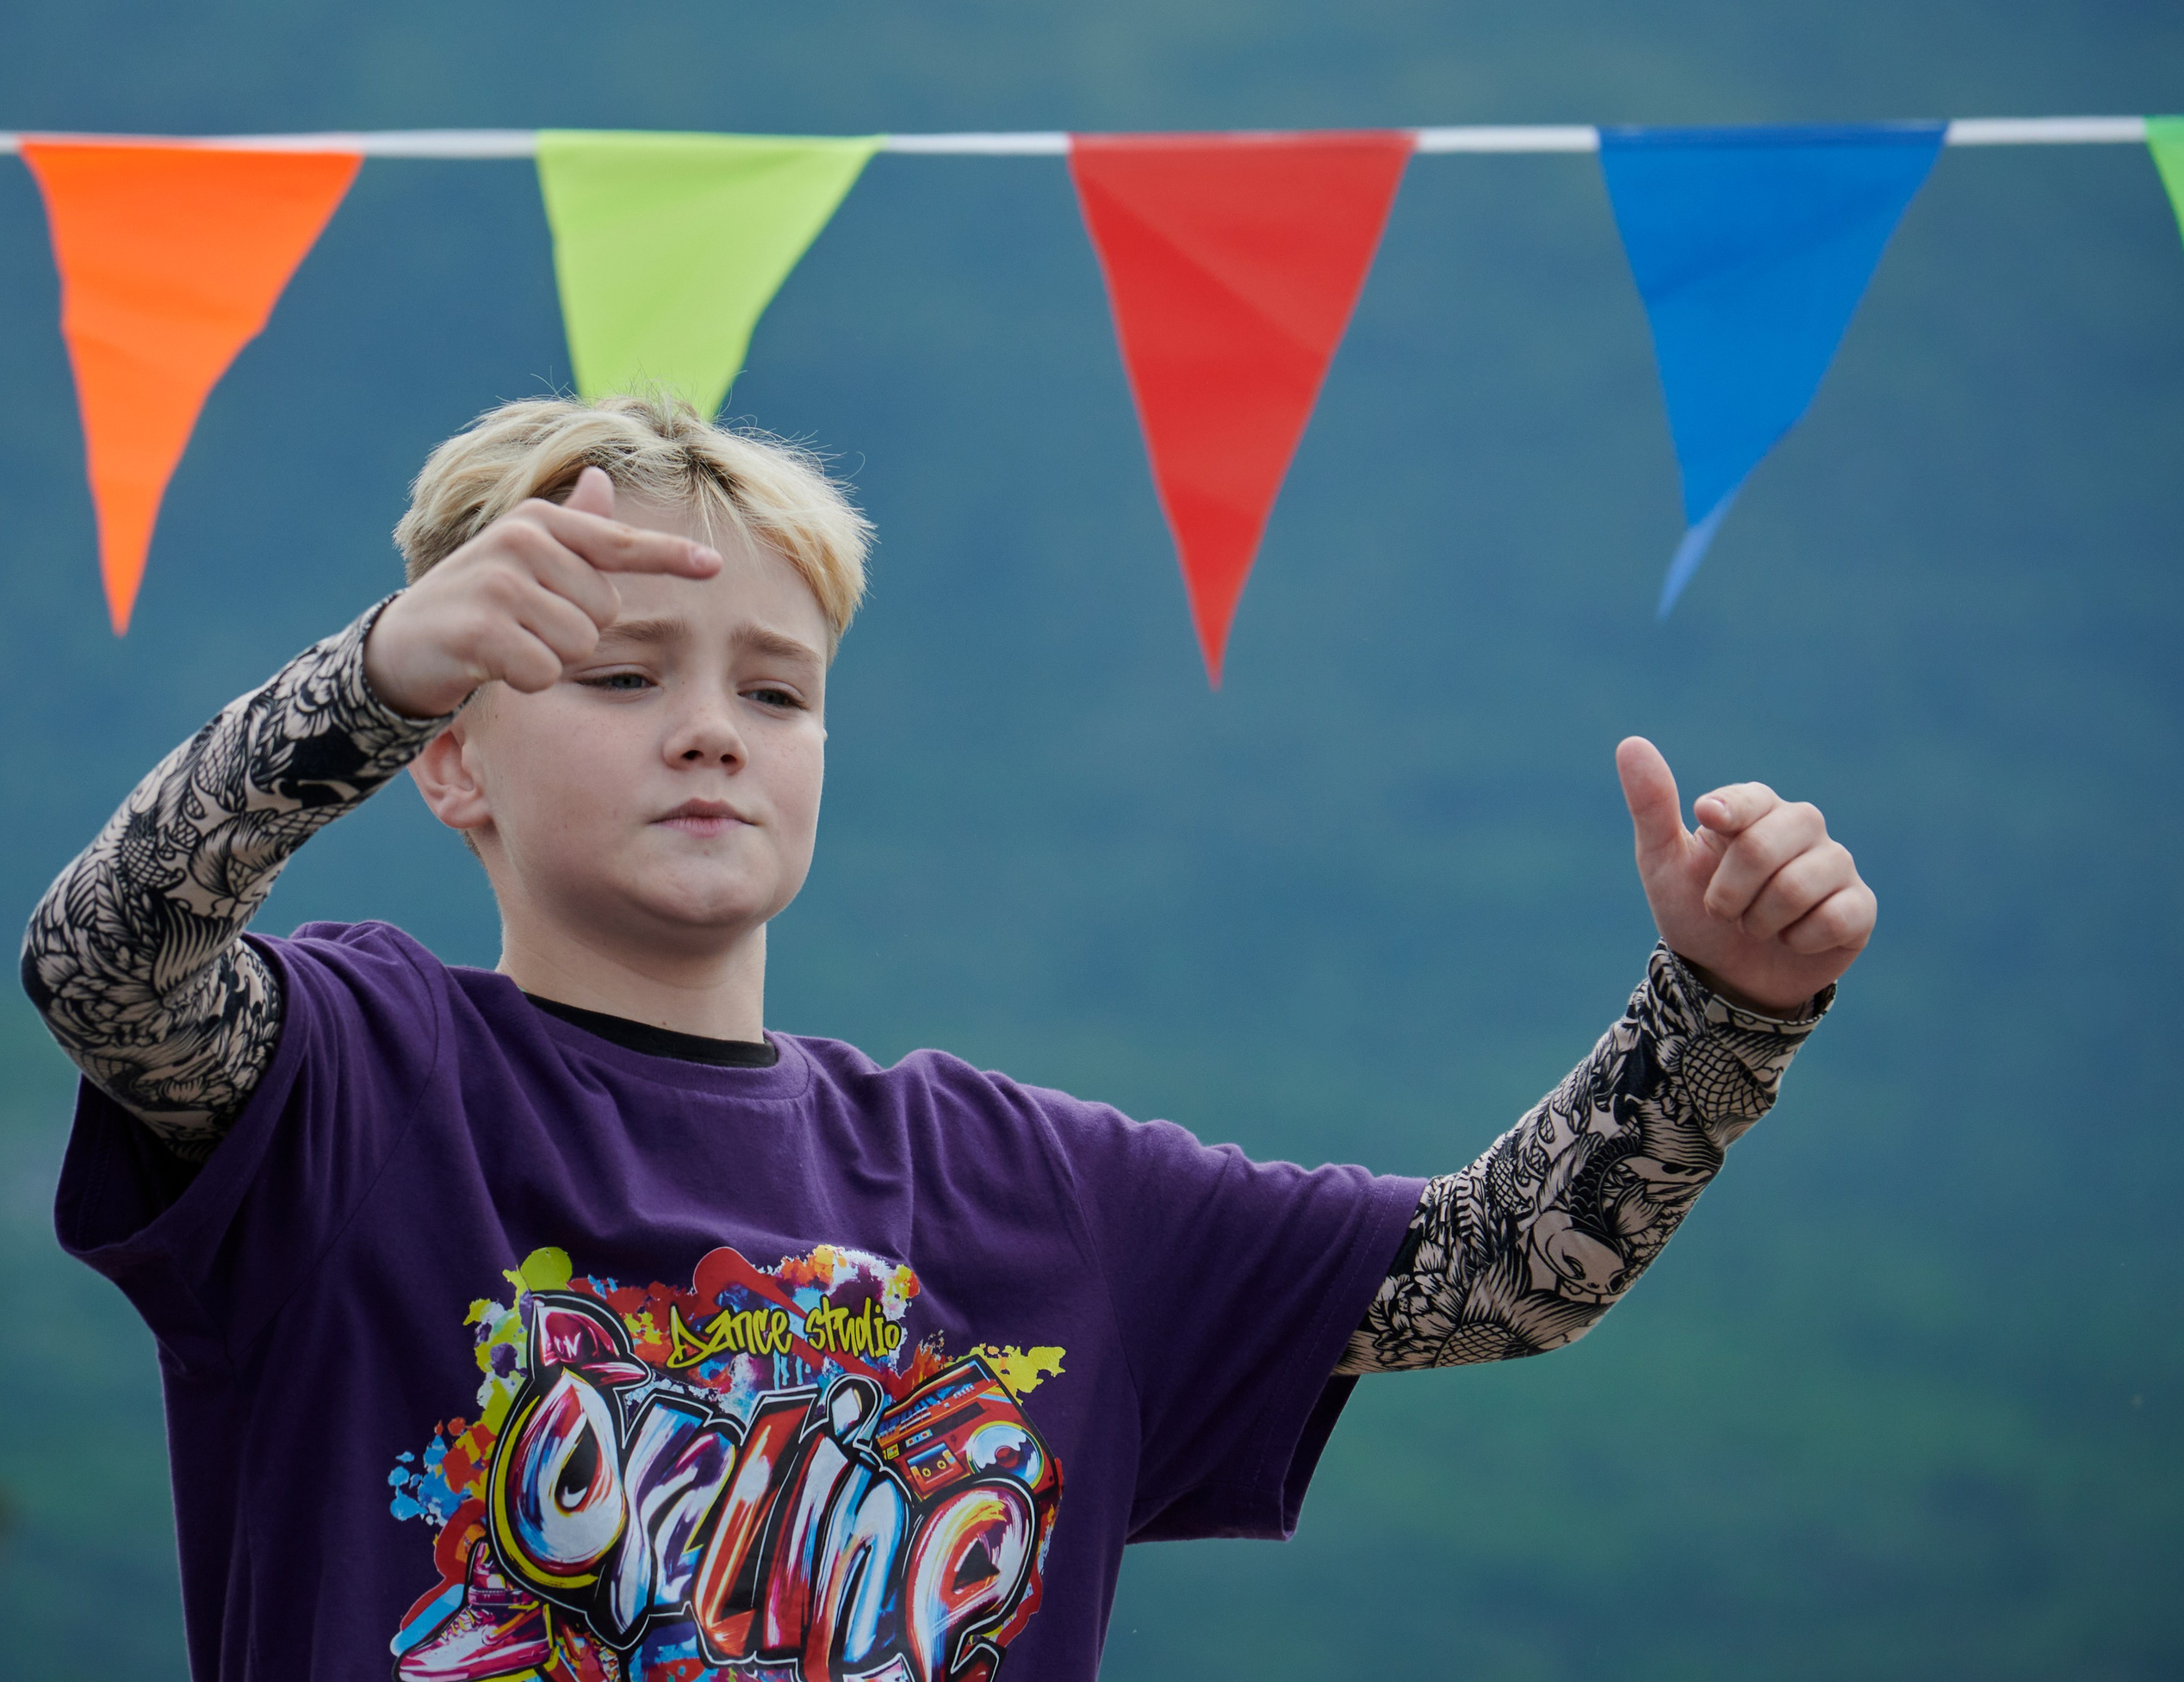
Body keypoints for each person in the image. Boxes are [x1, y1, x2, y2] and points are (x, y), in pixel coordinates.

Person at [19, 393, 1875, 1682]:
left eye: (775, 687)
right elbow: (104, 968)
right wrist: (360, 676)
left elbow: (1496, 1273)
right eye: (616, 673)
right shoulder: (360, 1080)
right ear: (449, 753)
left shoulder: (1028, 1186)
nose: (710, 729)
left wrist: (1720, 1007)